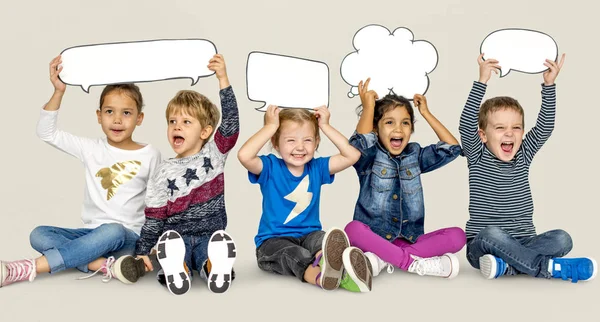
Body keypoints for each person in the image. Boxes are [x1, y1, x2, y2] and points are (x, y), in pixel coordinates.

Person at [0, 55, 162, 288]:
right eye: (109, 112)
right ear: (99, 116)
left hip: (127, 238)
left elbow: (160, 203)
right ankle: (107, 266)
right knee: (39, 234)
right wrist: (58, 92)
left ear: (139, 118)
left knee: (113, 230)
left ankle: (27, 268)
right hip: (89, 235)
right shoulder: (91, 148)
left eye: (126, 113)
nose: (117, 120)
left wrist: (153, 244)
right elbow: (47, 132)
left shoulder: (150, 154)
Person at [460, 53, 596, 283]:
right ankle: (547, 268)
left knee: (563, 239)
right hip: (483, 245)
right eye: (500, 127)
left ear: (522, 133)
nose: (509, 133)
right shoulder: (477, 154)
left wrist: (549, 85)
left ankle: (508, 267)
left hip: (525, 241)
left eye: (516, 128)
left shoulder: (523, 154)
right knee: (491, 233)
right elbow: (465, 124)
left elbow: (544, 127)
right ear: (482, 135)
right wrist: (481, 81)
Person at [133, 54, 239, 295]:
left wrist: (223, 79)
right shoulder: (162, 171)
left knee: (209, 252)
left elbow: (231, 124)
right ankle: (177, 268)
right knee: (169, 248)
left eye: (186, 122)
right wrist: (142, 250)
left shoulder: (215, 154)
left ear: (205, 132)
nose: (176, 126)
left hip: (209, 235)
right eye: (172, 121)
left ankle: (214, 267)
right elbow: (155, 216)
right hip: (175, 239)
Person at [238, 104, 373, 292]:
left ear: (317, 142)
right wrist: (269, 127)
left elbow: (352, 155)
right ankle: (317, 276)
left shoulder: (317, 168)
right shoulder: (270, 167)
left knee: (323, 239)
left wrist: (325, 126)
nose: (300, 147)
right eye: (291, 140)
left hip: (309, 235)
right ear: (276, 143)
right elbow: (244, 156)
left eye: (308, 140)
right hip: (273, 242)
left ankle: (330, 263)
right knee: (293, 253)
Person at [344, 78, 466, 279]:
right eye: (389, 122)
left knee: (458, 236)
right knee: (352, 230)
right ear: (376, 129)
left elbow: (452, 148)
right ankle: (410, 262)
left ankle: (383, 259)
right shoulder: (369, 157)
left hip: (408, 240)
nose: (398, 129)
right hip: (372, 238)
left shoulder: (415, 155)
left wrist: (425, 113)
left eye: (405, 123)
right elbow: (359, 144)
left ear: (411, 129)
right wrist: (368, 107)